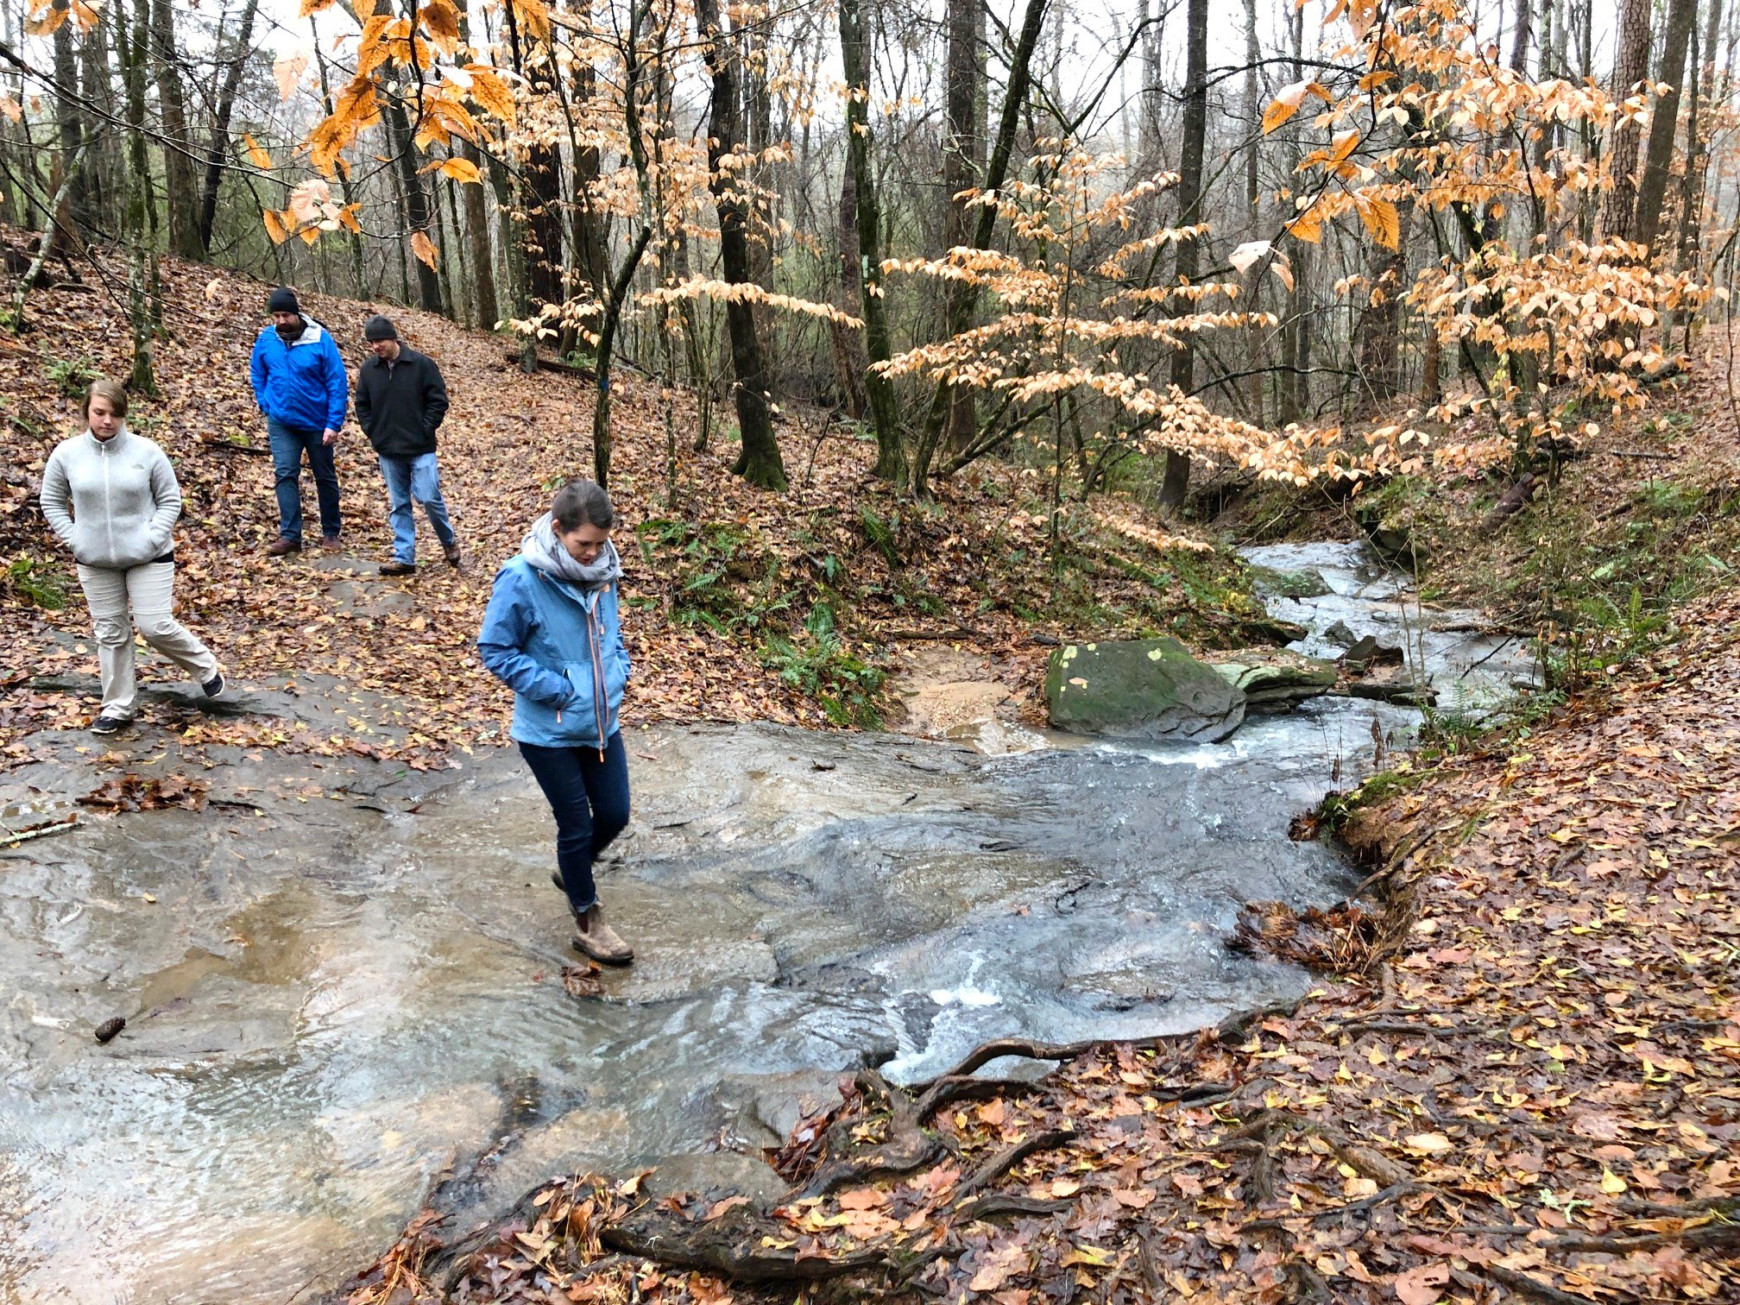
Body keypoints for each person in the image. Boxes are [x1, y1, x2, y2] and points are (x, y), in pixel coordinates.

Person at [478, 480, 634, 965]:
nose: (591, 553)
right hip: (548, 731)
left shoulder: (605, 572)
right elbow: (495, 648)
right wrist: (559, 689)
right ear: (558, 529)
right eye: (582, 543)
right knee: (574, 827)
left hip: (600, 721)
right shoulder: (521, 578)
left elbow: (613, 636)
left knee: (615, 814)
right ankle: (590, 921)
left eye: (600, 543)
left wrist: (618, 672)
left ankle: (574, 871)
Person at [40, 379, 224, 736]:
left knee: (153, 625)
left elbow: (170, 500)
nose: (107, 420)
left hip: (148, 555)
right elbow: (51, 501)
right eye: (100, 413)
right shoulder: (66, 454)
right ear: (87, 412)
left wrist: (152, 536)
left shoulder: (147, 452)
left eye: (115, 414)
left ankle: (204, 667)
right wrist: (75, 538)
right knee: (110, 632)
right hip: (94, 559)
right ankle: (118, 706)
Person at [353, 315, 460, 575]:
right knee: (399, 504)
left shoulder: (421, 365)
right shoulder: (369, 370)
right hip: (388, 449)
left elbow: (438, 401)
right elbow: (361, 404)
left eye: (380, 340)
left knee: (429, 497)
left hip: (420, 448)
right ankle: (404, 557)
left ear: (393, 338)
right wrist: (373, 432)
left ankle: (448, 542)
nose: (376, 346)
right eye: (372, 342)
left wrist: (425, 429)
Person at [249, 286, 348, 556]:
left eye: (286, 315)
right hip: (282, 421)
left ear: (297, 314)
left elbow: (337, 382)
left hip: (317, 422)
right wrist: (265, 403)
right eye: (276, 315)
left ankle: (331, 531)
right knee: (285, 474)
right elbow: (258, 372)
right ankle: (290, 535)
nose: (281, 321)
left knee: (324, 476)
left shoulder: (319, 339)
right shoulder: (267, 339)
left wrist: (333, 423)